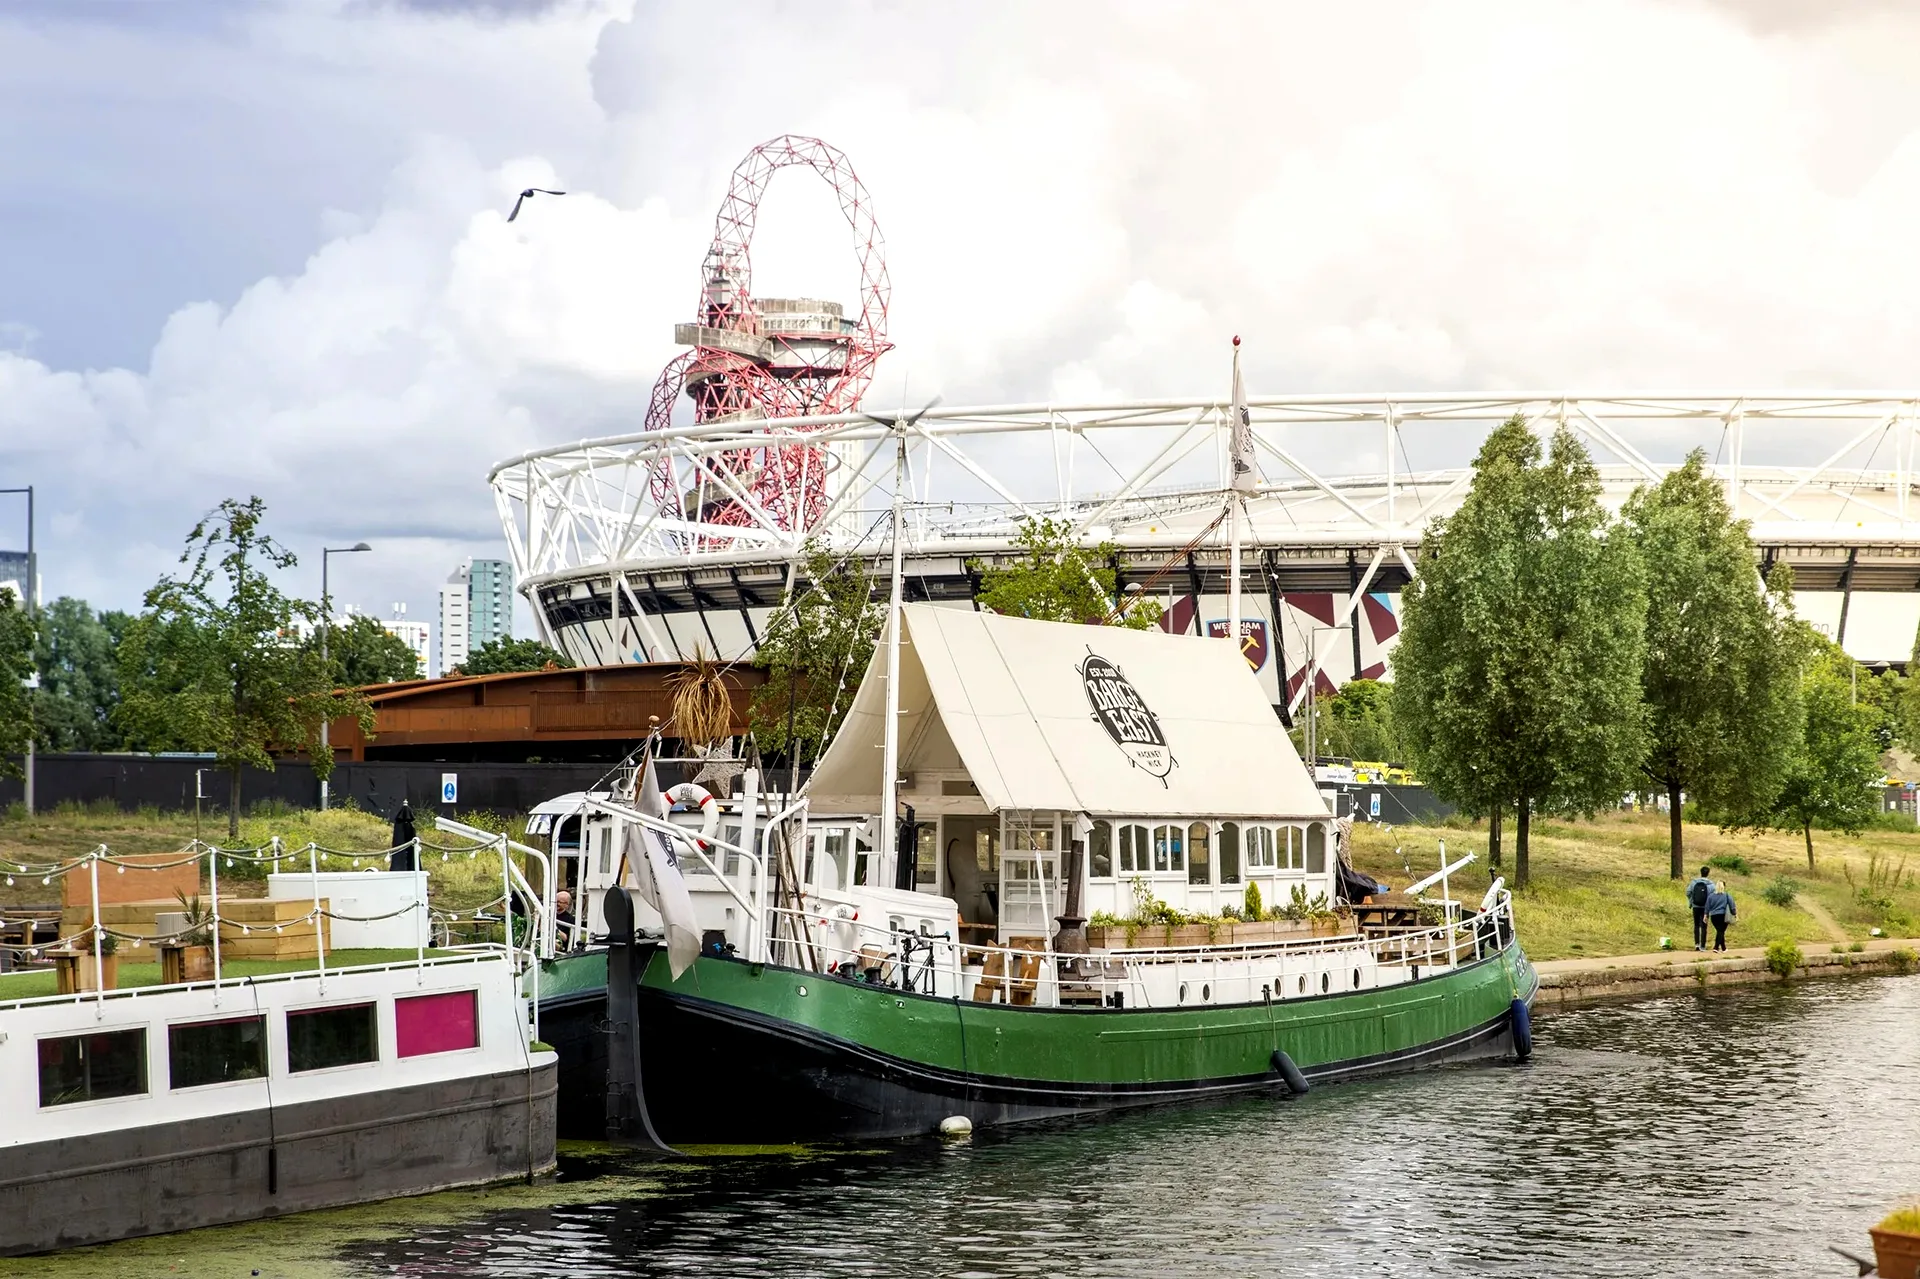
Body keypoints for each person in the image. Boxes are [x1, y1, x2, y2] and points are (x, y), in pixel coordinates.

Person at [1685, 865, 1716, 951]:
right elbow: (1713, 895)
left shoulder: (1694, 882)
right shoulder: (1711, 884)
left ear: (1700, 872)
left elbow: (1688, 892)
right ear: (1708, 873)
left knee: (1696, 925)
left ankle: (1696, 944)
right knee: (1704, 926)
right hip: (1705, 908)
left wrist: (1691, 901)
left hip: (1696, 906)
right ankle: (1703, 945)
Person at [1705, 880, 1737, 952]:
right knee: (1721, 931)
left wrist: (1705, 915)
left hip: (1714, 916)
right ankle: (1716, 947)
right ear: (1723, 887)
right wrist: (1735, 914)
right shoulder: (1726, 895)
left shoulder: (1710, 896)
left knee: (1720, 931)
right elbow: (1732, 905)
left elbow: (1707, 907)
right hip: (1723, 916)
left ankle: (1724, 948)